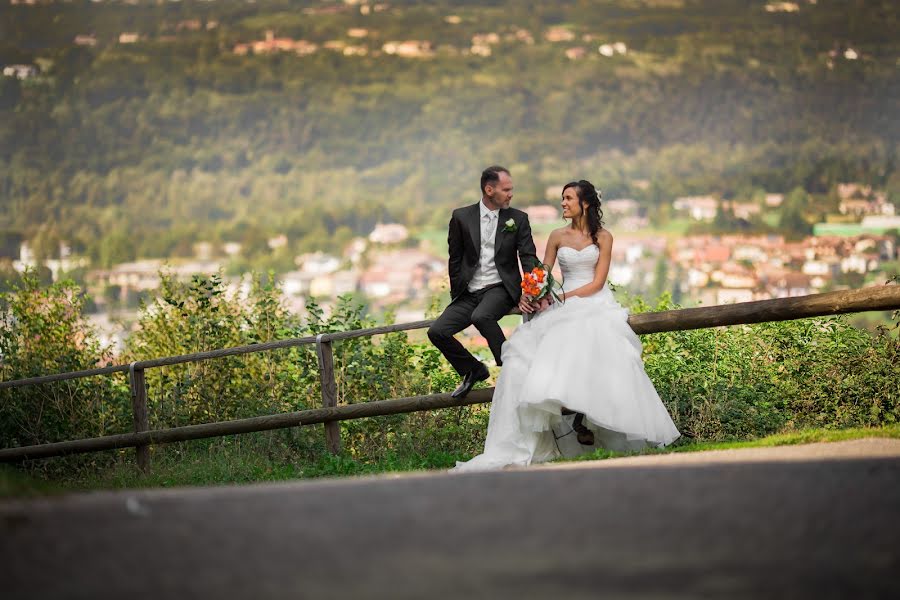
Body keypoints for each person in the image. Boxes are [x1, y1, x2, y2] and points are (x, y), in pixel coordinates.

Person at [453, 180, 680, 471]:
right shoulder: (557, 236)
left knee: (590, 341)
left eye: (568, 198)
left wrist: (564, 297)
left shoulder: (604, 237)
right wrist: (533, 292)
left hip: (593, 300)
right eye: (562, 198)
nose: (563, 203)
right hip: (561, 301)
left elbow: (597, 282)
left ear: (585, 203)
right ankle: (567, 417)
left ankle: (584, 417)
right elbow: (542, 272)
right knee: (526, 355)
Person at [428, 166, 539, 399]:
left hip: (500, 288)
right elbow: (455, 258)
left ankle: (510, 368)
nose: (511, 194)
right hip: (469, 293)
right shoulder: (461, 217)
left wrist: (531, 290)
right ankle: (474, 369)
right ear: (489, 190)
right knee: (437, 332)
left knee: (481, 316)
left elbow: (528, 258)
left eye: (512, 189)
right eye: (506, 189)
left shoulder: (518, 219)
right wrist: (457, 291)